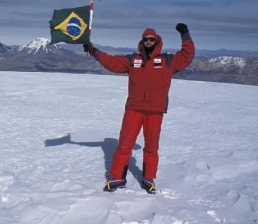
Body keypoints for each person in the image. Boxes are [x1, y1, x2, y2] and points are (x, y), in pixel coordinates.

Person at [83, 23, 195, 194]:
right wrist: (94, 51)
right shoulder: (133, 60)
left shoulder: (167, 60)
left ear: (157, 41)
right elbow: (112, 62)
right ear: (142, 41)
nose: (148, 41)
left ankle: (148, 179)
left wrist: (185, 35)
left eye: (151, 39)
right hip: (134, 109)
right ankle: (117, 177)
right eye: (146, 39)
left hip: (155, 111)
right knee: (124, 144)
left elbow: (187, 55)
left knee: (151, 146)